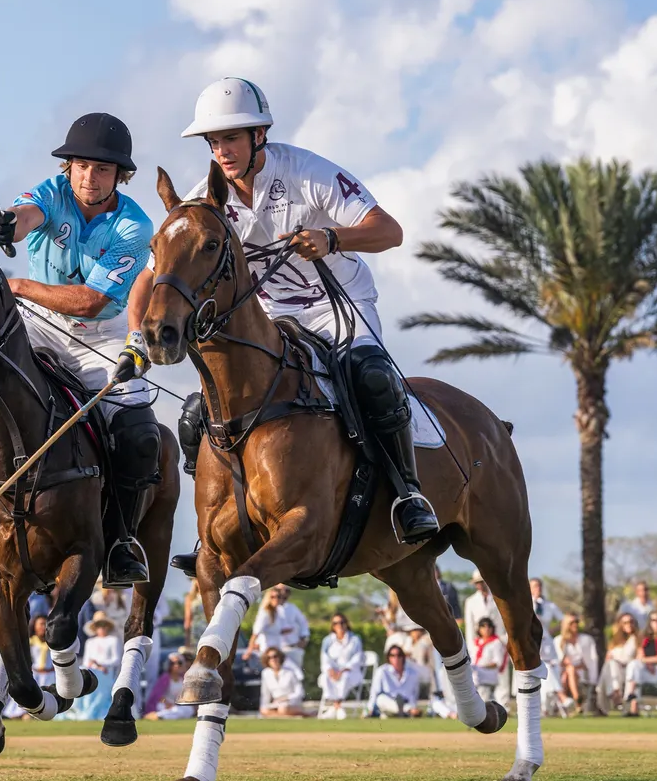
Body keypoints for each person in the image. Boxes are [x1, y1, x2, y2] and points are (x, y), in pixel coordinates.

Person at [145, 77, 439, 570]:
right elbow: (156, 276)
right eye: (214, 142)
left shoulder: (308, 172)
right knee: (200, 411)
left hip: (337, 305)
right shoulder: (205, 201)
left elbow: (390, 231)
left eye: (232, 139)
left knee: (372, 377)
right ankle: (211, 533)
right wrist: (141, 333)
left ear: (260, 135)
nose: (222, 151)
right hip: (272, 320)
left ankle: (408, 495)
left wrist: (331, 237)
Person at [0, 111, 160, 587]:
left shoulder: (134, 226)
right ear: (69, 167)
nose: (89, 176)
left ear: (120, 175)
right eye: (81, 165)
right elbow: (27, 217)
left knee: (140, 435)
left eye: (102, 169)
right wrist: (6, 226)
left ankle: (121, 539)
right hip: (36, 326)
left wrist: (17, 286)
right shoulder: (51, 192)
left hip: (95, 337)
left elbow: (93, 300)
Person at [463, 568, 508, 704]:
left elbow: (503, 620)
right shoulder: (471, 601)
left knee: (501, 672)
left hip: (497, 640)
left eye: (482, 582)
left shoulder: (497, 598)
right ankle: (481, 704)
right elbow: (469, 625)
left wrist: (503, 639)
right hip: (479, 642)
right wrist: (471, 646)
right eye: (477, 583)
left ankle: (503, 704)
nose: (480, 585)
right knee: (479, 673)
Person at [318, 613, 365, 719]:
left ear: (346, 624)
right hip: (333, 673)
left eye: (341, 622)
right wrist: (330, 670)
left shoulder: (355, 639)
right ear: (332, 625)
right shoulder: (327, 640)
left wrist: (344, 670)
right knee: (325, 677)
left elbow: (358, 657)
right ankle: (337, 707)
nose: (339, 625)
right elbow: (324, 658)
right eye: (335, 623)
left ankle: (336, 706)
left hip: (350, 672)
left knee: (345, 677)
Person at [77, 611, 121, 720]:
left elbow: (116, 660)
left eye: (103, 626)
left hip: (105, 673)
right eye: (99, 626)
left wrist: (101, 664)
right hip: (92, 672)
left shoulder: (113, 640)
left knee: (101, 696)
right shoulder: (90, 642)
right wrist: (92, 665)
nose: (101, 628)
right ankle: (85, 714)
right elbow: (86, 661)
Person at [623, 612, 657, 715]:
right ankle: (632, 700)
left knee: (635, 670)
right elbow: (640, 655)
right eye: (653, 620)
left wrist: (645, 661)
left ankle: (631, 701)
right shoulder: (644, 638)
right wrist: (646, 663)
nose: (656, 623)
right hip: (646, 670)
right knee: (634, 665)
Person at [554, 613, 598, 715]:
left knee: (570, 670)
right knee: (567, 674)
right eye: (572, 622)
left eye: (577, 622)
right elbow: (557, 661)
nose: (575, 625)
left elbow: (591, 660)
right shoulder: (558, 640)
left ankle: (571, 703)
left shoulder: (586, 640)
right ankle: (576, 701)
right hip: (564, 673)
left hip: (582, 672)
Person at [369, 645, 423, 718]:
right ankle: (406, 711)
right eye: (393, 655)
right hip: (388, 704)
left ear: (403, 657)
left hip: (405, 702)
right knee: (380, 699)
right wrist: (370, 709)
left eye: (399, 655)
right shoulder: (382, 671)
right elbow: (374, 692)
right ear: (388, 657)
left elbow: (414, 694)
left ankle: (404, 711)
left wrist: (413, 706)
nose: (396, 658)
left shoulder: (413, 673)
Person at [602, 612, 640, 711]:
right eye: (625, 622)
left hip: (631, 670)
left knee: (626, 666)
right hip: (615, 670)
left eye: (631, 622)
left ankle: (618, 695)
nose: (629, 625)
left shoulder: (637, 639)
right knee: (610, 664)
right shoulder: (615, 641)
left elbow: (639, 657)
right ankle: (615, 692)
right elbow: (608, 656)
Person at [144, 652, 197, 720]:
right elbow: (157, 696)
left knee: (188, 709)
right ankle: (160, 715)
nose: (176, 665)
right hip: (164, 704)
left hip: (178, 706)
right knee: (175, 710)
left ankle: (159, 716)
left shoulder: (184, 678)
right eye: (173, 663)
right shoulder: (165, 678)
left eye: (179, 663)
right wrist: (167, 703)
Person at [259, 648, 305, 717]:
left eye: (275, 656)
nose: (273, 660)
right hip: (276, 703)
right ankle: (288, 717)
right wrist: (263, 707)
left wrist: (286, 698)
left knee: (283, 709)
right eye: (269, 658)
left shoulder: (290, 672)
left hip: (291, 702)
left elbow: (300, 693)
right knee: (264, 710)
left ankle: (278, 716)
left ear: (280, 658)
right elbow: (265, 694)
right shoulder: (265, 673)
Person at [471, 617, 506, 705]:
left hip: (487, 676)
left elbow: (498, 662)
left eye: (489, 626)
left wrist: (481, 668)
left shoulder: (496, 642)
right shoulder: (476, 642)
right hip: (474, 675)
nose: (486, 629)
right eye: (483, 626)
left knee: (483, 701)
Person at [29, 614, 54, 689]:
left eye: (46, 624)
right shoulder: (30, 642)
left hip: (50, 675)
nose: (43, 627)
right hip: (35, 675)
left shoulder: (53, 642)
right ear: (34, 626)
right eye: (41, 624)